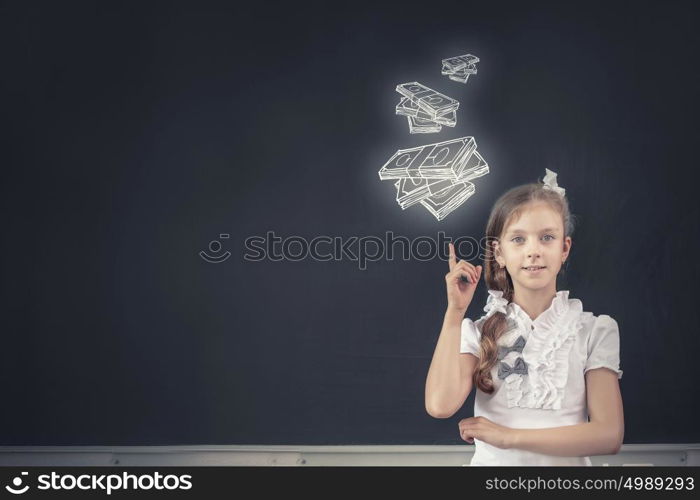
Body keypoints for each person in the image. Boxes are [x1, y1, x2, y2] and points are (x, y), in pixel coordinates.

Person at [424, 168, 624, 466]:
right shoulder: (477, 332)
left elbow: (608, 436)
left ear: (564, 248)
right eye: (518, 239)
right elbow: (440, 405)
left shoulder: (594, 329)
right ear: (499, 252)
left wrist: (508, 437)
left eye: (546, 237)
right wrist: (455, 313)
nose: (533, 251)